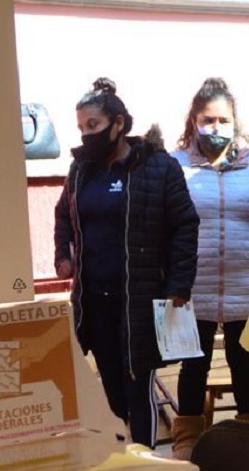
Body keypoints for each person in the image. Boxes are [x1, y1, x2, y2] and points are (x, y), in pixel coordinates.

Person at [54, 78, 199, 448]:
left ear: (119, 124)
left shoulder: (159, 168)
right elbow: (63, 215)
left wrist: (179, 285)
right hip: (95, 303)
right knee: (113, 391)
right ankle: (126, 460)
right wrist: (62, 254)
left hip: (140, 302)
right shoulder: (82, 171)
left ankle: (148, 466)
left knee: (139, 390)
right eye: (82, 128)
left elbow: (185, 225)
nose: (87, 135)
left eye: (94, 125)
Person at [168, 77, 249, 460]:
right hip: (193, 286)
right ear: (193, 121)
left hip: (247, 284)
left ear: (235, 122)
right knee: (193, 364)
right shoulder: (175, 167)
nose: (216, 127)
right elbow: (162, 225)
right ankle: (187, 439)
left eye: (223, 120)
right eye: (208, 119)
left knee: (245, 364)